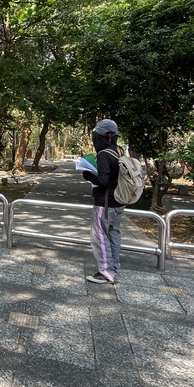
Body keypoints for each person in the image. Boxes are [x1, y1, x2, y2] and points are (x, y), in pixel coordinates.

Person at [83, 119, 123, 285]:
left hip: (105, 203)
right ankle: (114, 266)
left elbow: (103, 180)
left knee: (99, 237)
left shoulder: (104, 154)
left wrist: (88, 175)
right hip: (119, 202)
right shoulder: (119, 151)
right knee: (114, 234)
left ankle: (105, 272)